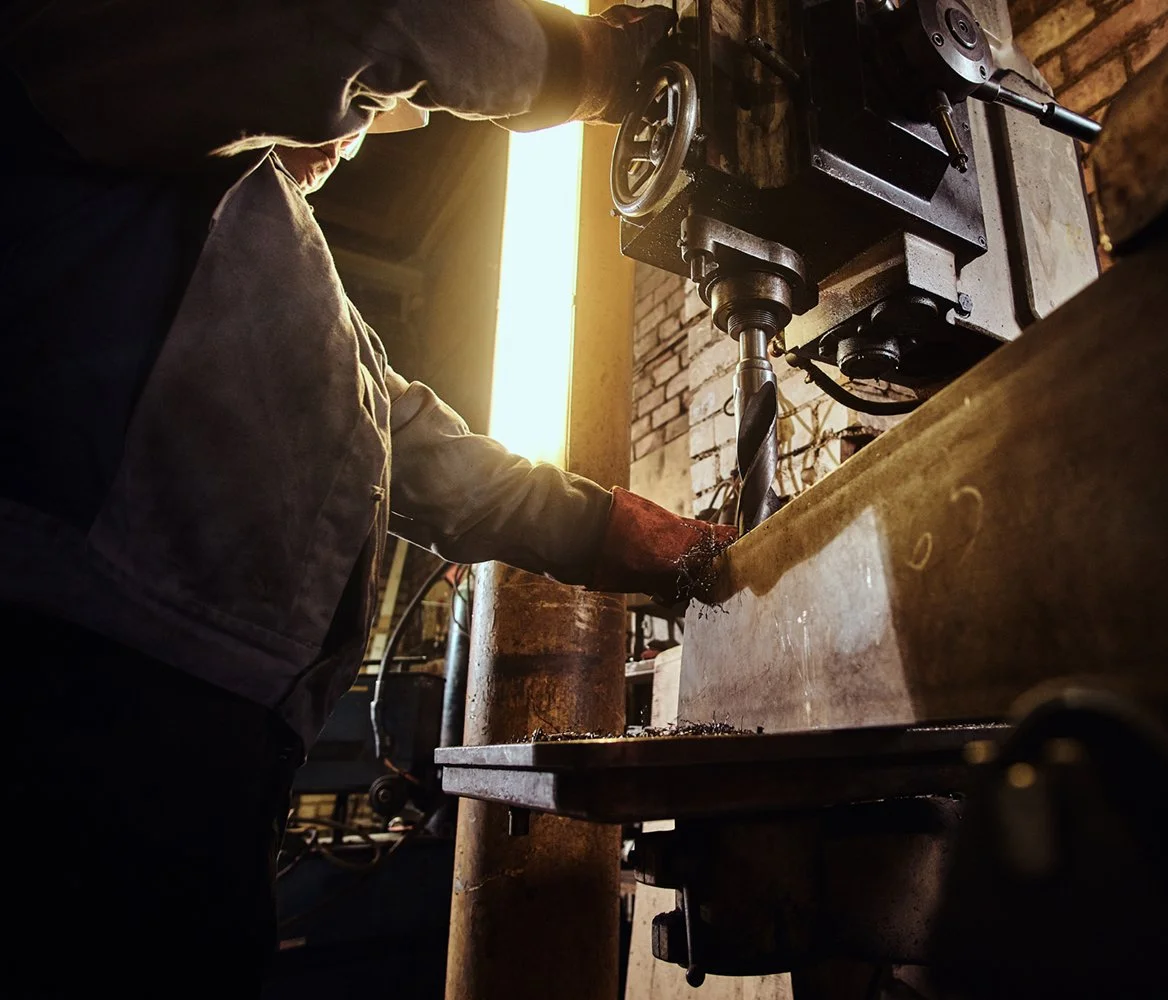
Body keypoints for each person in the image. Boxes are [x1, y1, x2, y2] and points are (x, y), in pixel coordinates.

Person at [0, 0, 731, 992]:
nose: (348, 143)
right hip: (85, 695)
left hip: (212, 742)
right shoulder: (87, 51)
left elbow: (414, 446)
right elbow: (357, 20)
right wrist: (596, 66)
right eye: (355, 111)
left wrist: (611, 528)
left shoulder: (256, 250)